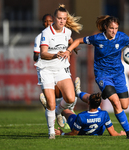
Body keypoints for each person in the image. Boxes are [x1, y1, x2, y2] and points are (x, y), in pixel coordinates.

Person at [34, 4, 82, 139]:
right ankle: (51, 133)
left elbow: (71, 42)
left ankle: (57, 112)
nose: (62, 21)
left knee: (71, 98)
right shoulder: (46, 33)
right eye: (59, 18)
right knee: (50, 102)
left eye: (64, 19)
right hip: (46, 69)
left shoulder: (67, 32)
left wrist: (71, 50)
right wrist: (56, 55)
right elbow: (42, 54)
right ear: (55, 18)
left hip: (61, 69)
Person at [55, 92, 126, 136]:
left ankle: (53, 106)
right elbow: (113, 133)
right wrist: (121, 134)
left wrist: (62, 133)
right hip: (98, 132)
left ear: (88, 103)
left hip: (80, 131)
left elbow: (74, 133)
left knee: (64, 110)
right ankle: (78, 92)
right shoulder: (104, 114)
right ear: (100, 104)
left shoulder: (81, 116)